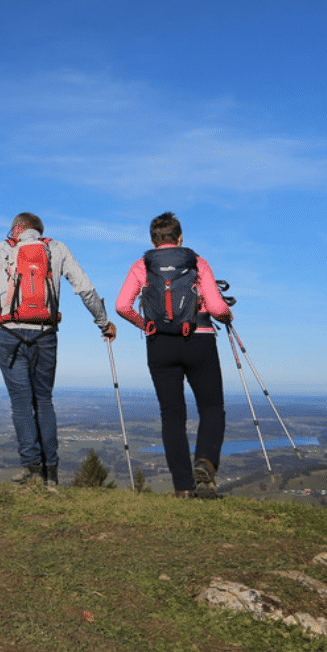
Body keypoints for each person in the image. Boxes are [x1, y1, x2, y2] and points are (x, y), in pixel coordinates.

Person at [0, 212, 117, 485]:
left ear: (17, 229)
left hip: (8, 334)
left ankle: (32, 470)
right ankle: (51, 472)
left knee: (21, 403)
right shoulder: (56, 249)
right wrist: (104, 323)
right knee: (43, 401)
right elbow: (86, 289)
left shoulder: (3, 249)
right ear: (39, 231)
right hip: (45, 334)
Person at [115, 212, 233, 499]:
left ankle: (182, 487)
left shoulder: (142, 265)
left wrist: (146, 325)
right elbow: (217, 308)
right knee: (211, 407)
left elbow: (122, 305)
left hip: (160, 345)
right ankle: (205, 462)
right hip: (199, 340)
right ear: (180, 238)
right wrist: (228, 315)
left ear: (153, 240)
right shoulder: (196, 262)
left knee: (172, 415)